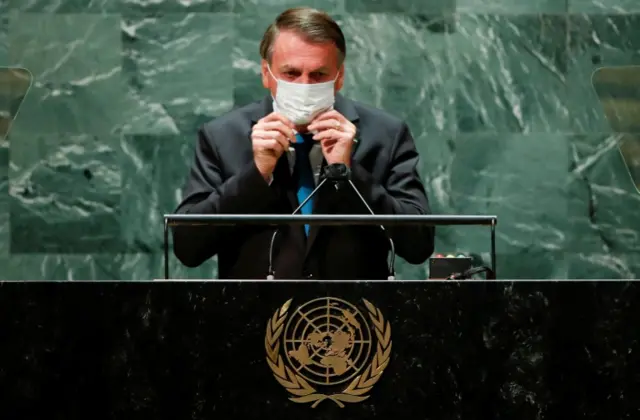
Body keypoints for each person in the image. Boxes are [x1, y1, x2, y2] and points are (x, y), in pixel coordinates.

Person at [172, 7, 435, 279]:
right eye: (291, 73)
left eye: (319, 75)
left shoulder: (385, 135)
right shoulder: (222, 136)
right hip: (254, 314)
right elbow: (187, 248)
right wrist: (257, 173)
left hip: (354, 315)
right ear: (266, 73)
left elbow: (418, 246)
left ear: (339, 76)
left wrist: (349, 173)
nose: (305, 85)